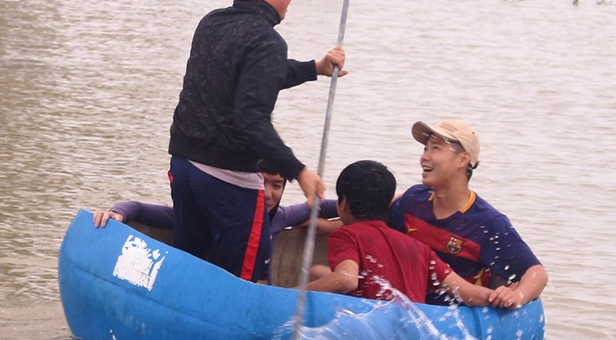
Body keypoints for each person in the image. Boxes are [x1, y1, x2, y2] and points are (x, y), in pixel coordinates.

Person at [168, 0, 346, 283]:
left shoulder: (212, 22)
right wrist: (298, 171)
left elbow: (253, 76)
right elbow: (250, 117)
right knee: (240, 281)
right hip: (228, 178)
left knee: (190, 269)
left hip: (185, 165)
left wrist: (315, 68)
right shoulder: (267, 41)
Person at [388, 119, 548, 309]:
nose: (424, 157)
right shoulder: (412, 200)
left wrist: (516, 296)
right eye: (425, 149)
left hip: (455, 315)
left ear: (462, 160)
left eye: (435, 148)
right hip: (408, 306)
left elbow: (537, 273)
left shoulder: (488, 223)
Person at [307, 160, 495, 306]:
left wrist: (294, 294)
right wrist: (501, 296)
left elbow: (346, 279)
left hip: (370, 330)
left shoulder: (345, 236)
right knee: (318, 272)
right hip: (412, 332)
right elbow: (470, 293)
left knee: (315, 272)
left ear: (344, 203)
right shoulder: (420, 249)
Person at [93, 162, 341, 248]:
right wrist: (117, 213)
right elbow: (140, 208)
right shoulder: (209, 215)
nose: (267, 194)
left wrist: (341, 222)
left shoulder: (279, 218)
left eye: (276, 186)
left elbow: (321, 206)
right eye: (260, 183)